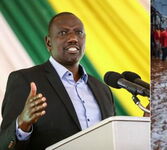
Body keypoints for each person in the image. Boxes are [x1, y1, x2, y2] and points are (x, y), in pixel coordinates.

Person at [0, 12, 115, 150]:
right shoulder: (24, 80)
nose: (73, 38)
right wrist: (22, 125)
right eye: (63, 33)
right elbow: (4, 144)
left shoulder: (103, 90)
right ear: (49, 42)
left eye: (79, 32)